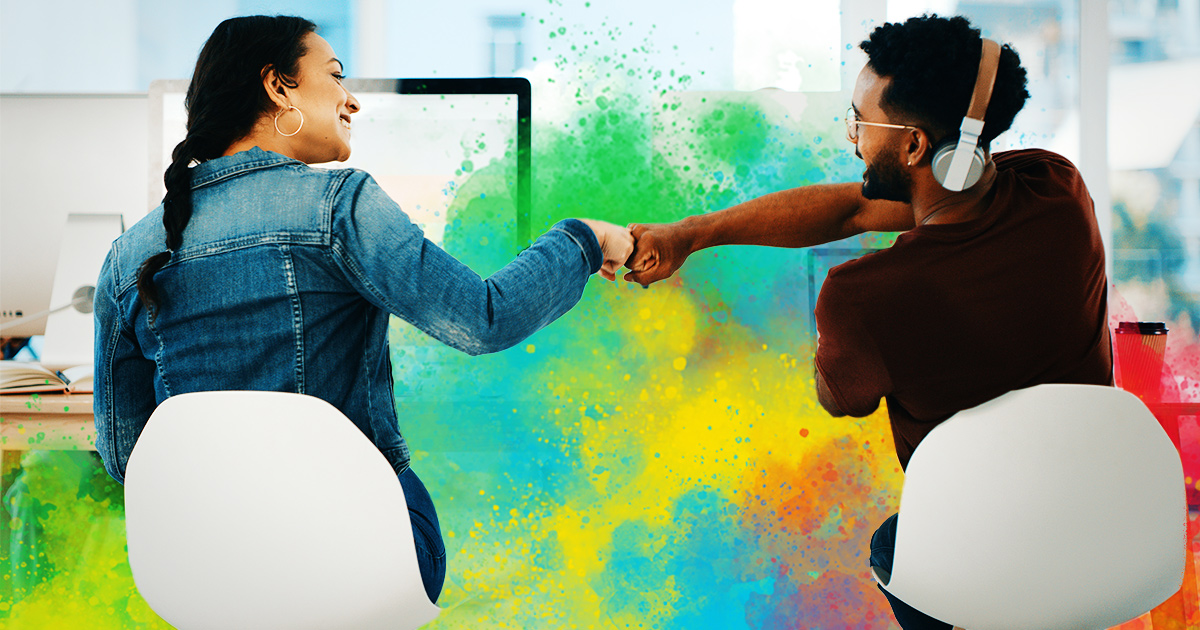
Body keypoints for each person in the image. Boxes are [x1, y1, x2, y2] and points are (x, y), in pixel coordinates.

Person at [93, 15, 633, 605]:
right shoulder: (339, 205)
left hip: (203, 578)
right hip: (359, 566)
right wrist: (584, 238)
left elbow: (128, 458)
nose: (352, 100)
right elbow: (484, 318)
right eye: (334, 75)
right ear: (278, 87)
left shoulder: (128, 257)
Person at [623, 14, 1111, 629]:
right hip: (1103, 522)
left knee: (892, 544)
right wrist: (693, 235)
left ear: (912, 146)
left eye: (860, 121)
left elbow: (836, 399)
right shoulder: (1058, 189)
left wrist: (819, 331)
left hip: (985, 559)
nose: (851, 138)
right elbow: (857, 209)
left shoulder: (864, 298)